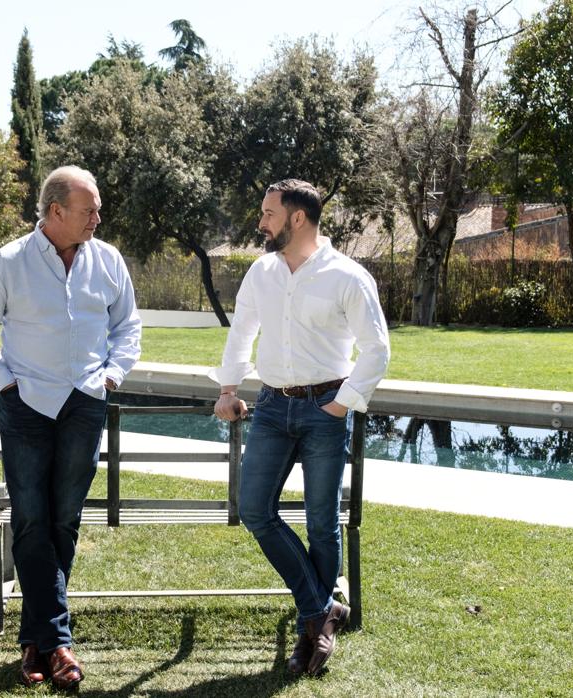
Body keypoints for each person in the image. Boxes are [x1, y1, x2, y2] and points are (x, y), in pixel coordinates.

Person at [0, 165, 142, 690]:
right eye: (90, 210)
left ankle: (35, 640)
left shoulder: (107, 261)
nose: (98, 219)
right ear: (55, 211)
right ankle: (59, 642)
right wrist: (3, 382)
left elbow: (128, 324)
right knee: (33, 521)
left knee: (64, 521)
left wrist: (112, 375)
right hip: (27, 406)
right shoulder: (9, 262)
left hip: (85, 403)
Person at [212, 179, 390, 677]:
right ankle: (320, 611)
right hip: (270, 407)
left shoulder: (347, 276)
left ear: (296, 219)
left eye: (268, 213)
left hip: (324, 408)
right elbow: (242, 332)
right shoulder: (261, 273)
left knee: (320, 522)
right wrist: (229, 388)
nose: (261, 222)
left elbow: (376, 349)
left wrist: (341, 405)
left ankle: (310, 633)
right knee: (254, 509)